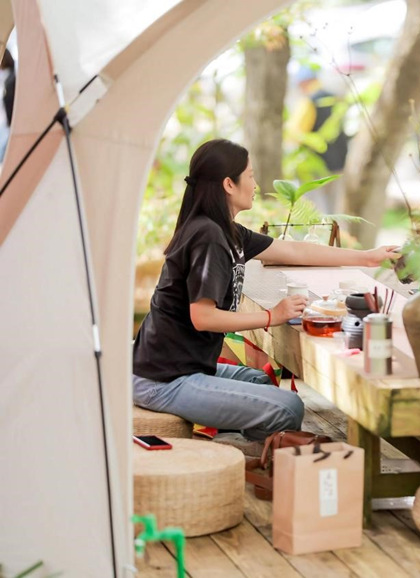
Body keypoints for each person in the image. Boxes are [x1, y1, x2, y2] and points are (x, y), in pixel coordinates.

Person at [132, 139, 399, 454]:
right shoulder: (209, 239)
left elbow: (294, 249)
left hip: (178, 366)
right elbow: (202, 317)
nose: (256, 184)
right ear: (229, 184)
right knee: (287, 407)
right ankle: (241, 455)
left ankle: (242, 445)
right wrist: (274, 315)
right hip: (164, 379)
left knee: (259, 382)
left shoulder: (228, 232)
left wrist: (368, 256)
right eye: (251, 176)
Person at [287, 67, 349, 214]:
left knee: (312, 208)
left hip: (313, 165)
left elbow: (295, 134)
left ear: (303, 83)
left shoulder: (308, 101)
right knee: (333, 208)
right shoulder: (335, 98)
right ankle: (335, 235)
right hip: (338, 163)